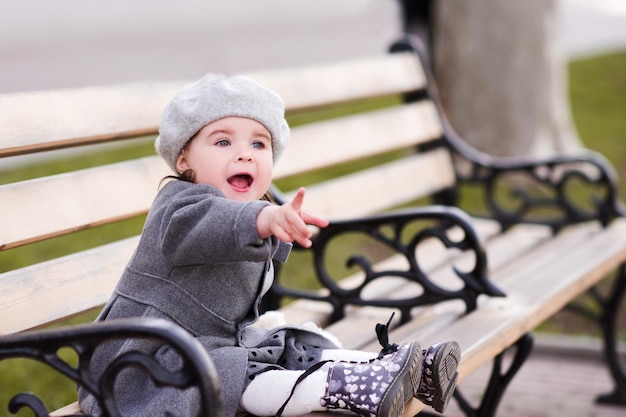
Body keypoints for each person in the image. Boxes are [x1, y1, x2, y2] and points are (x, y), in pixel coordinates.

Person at [77, 74, 460, 417]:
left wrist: (276, 224)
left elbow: (240, 238)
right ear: (183, 159)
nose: (244, 153)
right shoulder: (178, 205)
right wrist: (265, 220)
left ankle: (390, 370)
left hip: (207, 346)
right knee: (247, 376)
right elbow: (208, 227)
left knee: (291, 346)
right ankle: (337, 388)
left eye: (259, 144)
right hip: (138, 366)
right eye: (223, 141)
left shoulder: (250, 211)